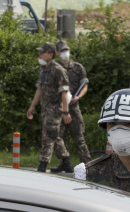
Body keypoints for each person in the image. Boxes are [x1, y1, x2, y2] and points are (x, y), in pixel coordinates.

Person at [26, 42, 72, 173]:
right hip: (45, 109)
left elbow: (64, 93)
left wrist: (65, 111)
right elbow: (39, 89)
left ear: (50, 54)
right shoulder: (44, 70)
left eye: (42, 52)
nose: (39, 55)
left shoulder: (58, 70)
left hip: (55, 109)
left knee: (47, 136)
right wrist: (32, 106)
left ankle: (43, 163)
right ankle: (66, 162)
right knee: (54, 136)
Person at [50, 40, 92, 173]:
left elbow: (84, 85)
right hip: (59, 109)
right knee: (59, 139)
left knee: (79, 138)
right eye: (61, 51)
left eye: (66, 50)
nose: (64, 53)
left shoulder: (78, 67)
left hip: (73, 109)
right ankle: (65, 163)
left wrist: (78, 97)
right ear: (57, 53)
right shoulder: (53, 69)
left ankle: (89, 166)